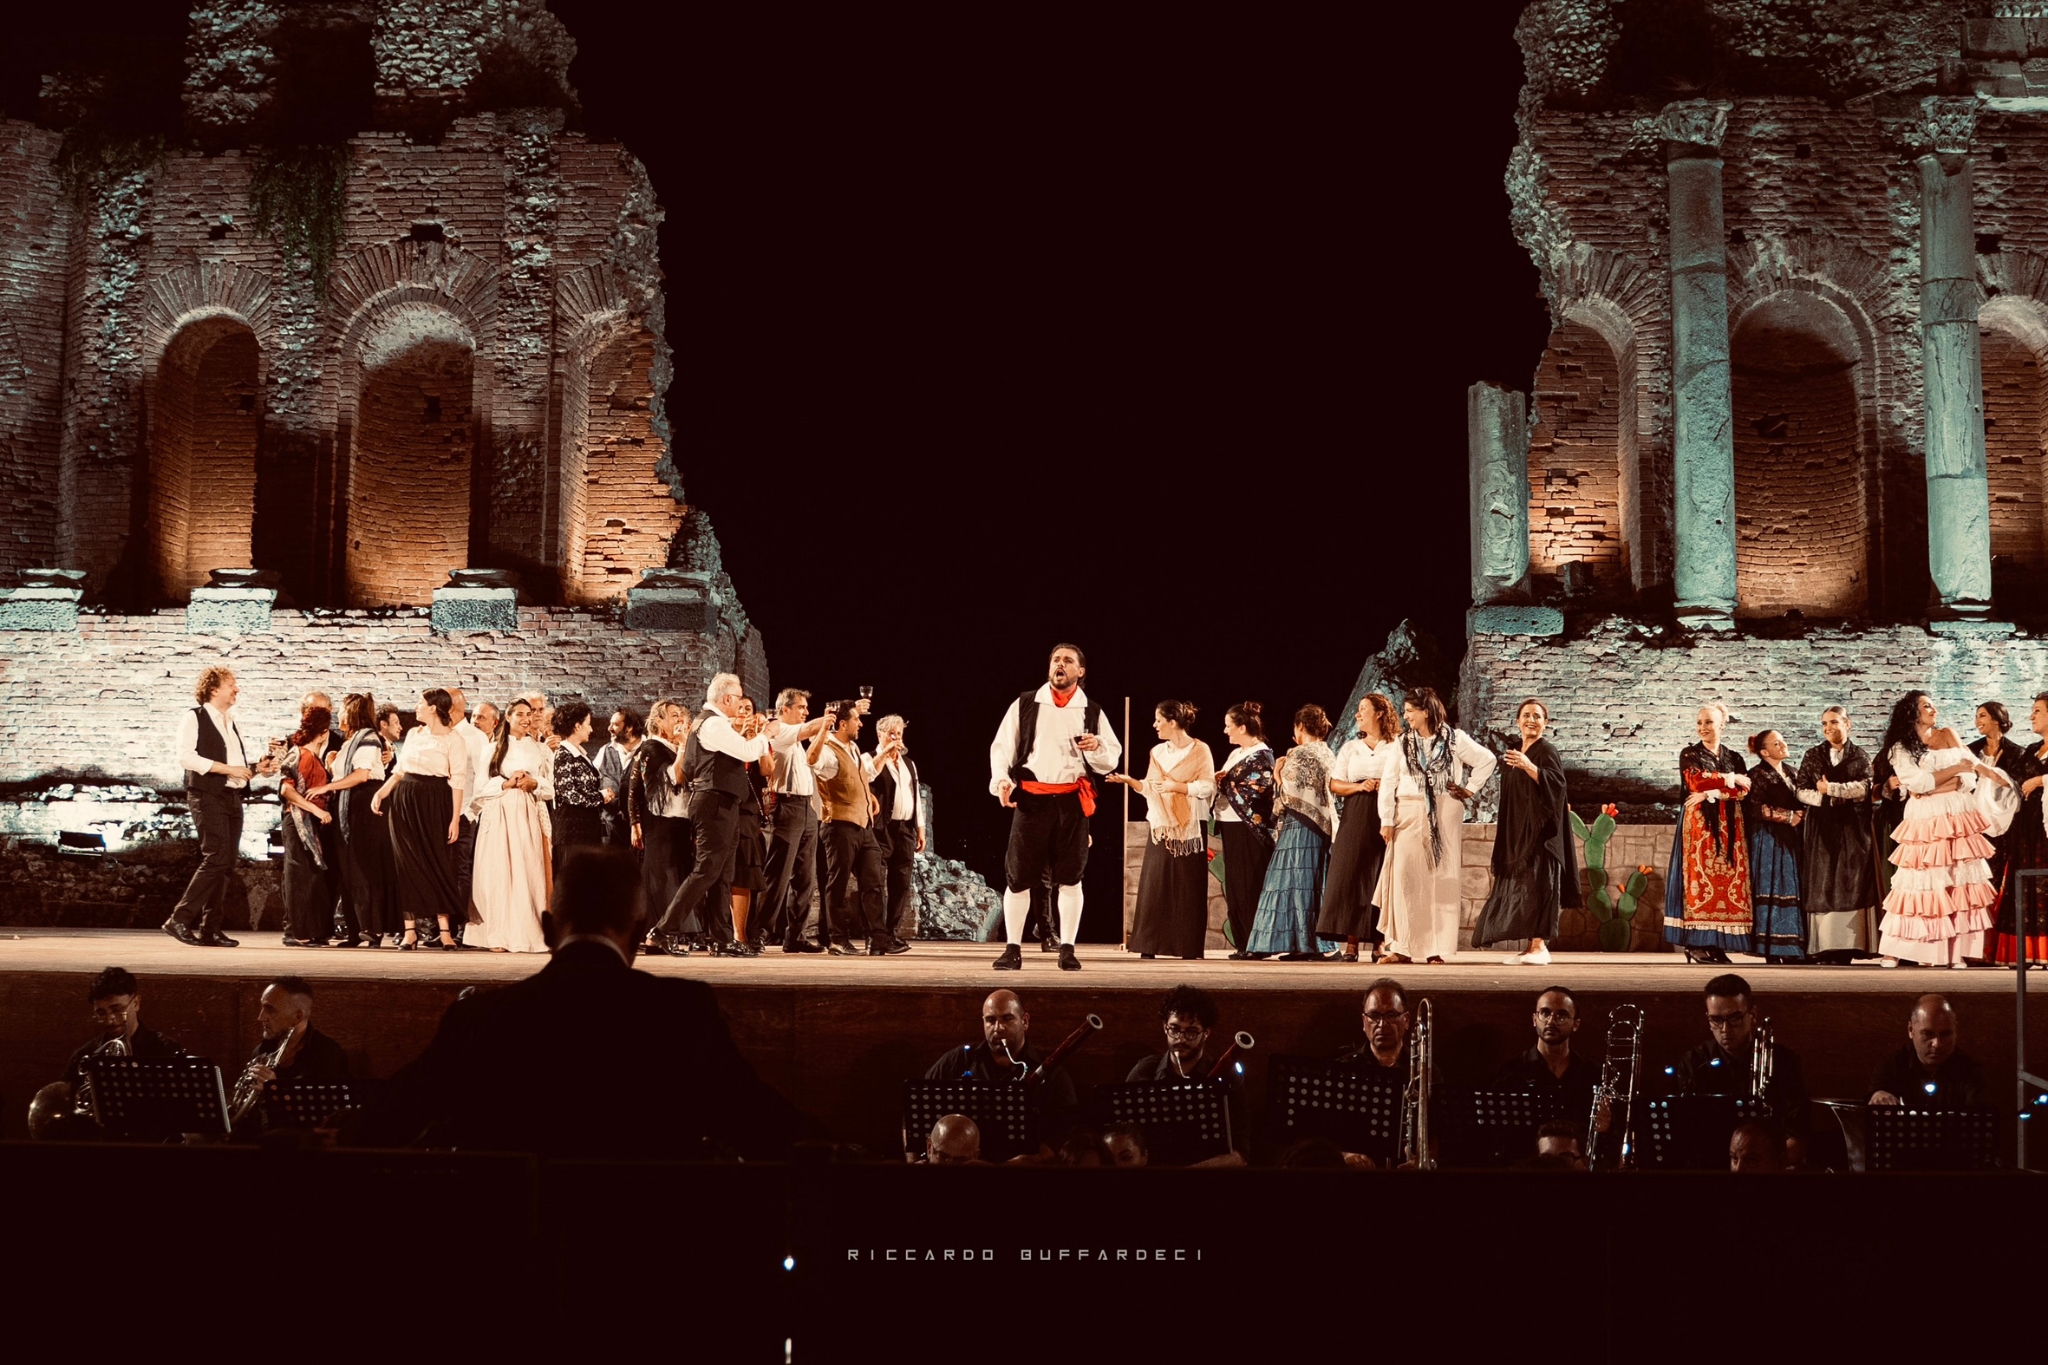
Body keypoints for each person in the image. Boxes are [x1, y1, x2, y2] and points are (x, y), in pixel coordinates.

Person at [347, 847, 817, 1158]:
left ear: (548, 929)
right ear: (638, 933)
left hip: (517, 1251)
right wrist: (837, 1150)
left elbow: (396, 1114)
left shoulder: (480, 1018)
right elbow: (753, 1118)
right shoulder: (682, 1012)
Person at [987, 643, 1123, 972]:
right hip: (1032, 799)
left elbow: (1110, 759)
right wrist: (1002, 781)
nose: (1059, 664)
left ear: (1080, 671)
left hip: (1071, 802)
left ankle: (1067, 949)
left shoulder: (1091, 710)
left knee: (1071, 878)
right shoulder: (1026, 703)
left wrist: (1096, 746)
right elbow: (1002, 747)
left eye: (1067, 661)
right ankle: (1012, 948)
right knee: (1018, 877)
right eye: (1055, 660)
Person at [1878, 690, 2004, 968]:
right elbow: (1917, 783)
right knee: (1920, 879)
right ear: (1912, 712)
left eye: (1933, 705)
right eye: (1926, 706)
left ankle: (1953, 952)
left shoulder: (1948, 734)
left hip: (1957, 812)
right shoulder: (1901, 747)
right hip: (1925, 816)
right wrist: (1952, 772)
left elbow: (1969, 776)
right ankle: (1902, 950)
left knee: (1957, 879)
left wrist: (1940, 782)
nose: (1933, 710)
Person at [1375, 687, 1497, 965]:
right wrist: (1386, 819)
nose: (1406, 716)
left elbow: (1486, 760)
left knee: (1438, 881)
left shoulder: (1455, 739)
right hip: (1408, 811)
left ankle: (1434, 948)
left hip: (1444, 812)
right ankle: (1402, 947)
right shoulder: (1402, 743)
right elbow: (1389, 782)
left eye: (1410, 711)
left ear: (1426, 712)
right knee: (1406, 879)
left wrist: (1469, 788)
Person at [652, 673, 770, 956]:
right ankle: (662, 931)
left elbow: (693, 766)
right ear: (727, 698)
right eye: (738, 698)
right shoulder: (714, 723)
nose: (741, 703)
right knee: (706, 870)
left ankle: (721, 939)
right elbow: (747, 752)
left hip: (721, 803)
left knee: (722, 874)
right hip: (714, 803)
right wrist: (767, 734)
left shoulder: (708, 723)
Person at [165, 666, 278, 947]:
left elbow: (236, 767)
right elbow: (186, 757)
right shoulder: (194, 717)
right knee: (215, 857)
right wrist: (229, 769)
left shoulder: (229, 721)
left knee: (226, 864)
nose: (237, 689)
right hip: (207, 795)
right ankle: (179, 919)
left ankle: (210, 929)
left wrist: (257, 768)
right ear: (214, 689)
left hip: (231, 797)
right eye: (231, 685)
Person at [1474, 697, 1579, 967]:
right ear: (1518, 721)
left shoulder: (1546, 750)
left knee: (1539, 887)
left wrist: (1529, 766)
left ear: (1546, 723)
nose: (1531, 720)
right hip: (1518, 833)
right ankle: (1529, 947)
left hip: (1541, 836)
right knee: (1524, 890)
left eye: (1537, 716)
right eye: (1526, 715)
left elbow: (1557, 786)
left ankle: (1540, 945)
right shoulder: (1514, 753)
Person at [1110, 700, 1217, 960]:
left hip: (1190, 826)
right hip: (1162, 825)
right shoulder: (1158, 752)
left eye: (1159, 720)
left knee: (1188, 887)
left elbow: (1207, 786)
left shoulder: (1200, 749)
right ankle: (1150, 944)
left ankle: (1187, 947)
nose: (1155, 725)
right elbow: (1151, 786)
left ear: (1172, 722)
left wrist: (1177, 787)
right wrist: (1131, 782)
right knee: (1155, 884)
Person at [1667, 973, 1811, 1159]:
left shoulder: (1785, 1062)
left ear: (1752, 1015)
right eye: (1716, 1020)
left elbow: (1797, 1136)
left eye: (1735, 1018)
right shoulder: (1694, 1062)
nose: (1725, 1029)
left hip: (1767, 1168)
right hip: (1710, 1165)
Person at [370, 689, 468, 951]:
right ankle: (410, 931)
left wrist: (454, 819)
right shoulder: (414, 734)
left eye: (420, 703)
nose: (416, 707)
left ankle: (445, 931)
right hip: (405, 801)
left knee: (438, 862)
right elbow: (400, 770)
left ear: (433, 708)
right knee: (406, 865)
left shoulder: (453, 739)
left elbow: (458, 780)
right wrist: (381, 792)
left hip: (436, 801)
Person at [1661, 702, 1754, 964]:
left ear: (1722, 724)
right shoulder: (1690, 753)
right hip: (1699, 824)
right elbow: (1694, 780)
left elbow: (1745, 789)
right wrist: (1729, 779)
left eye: (1709, 722)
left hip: (1730, 825)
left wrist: (1710, 792)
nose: (1703, 727)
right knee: (1699, 881)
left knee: (1725, 882)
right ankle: (1696, 943)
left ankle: (1716, 944)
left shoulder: (1734, 757)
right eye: (1700, 722)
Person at [1246, 704, 1340, 959]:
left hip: (1299, 824)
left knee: (1287, 881)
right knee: (1309, 883)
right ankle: (1308, 944)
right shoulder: (1327, 752)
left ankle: (1285, 944)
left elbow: (1288, 792)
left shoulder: (1298, 754)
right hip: (1321, 826)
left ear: (1299, 727)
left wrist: (1277, 774)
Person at [809, 699, 900, 955]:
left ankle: (878, 940)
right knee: (837, 884)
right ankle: (837, 939)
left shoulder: (852, 748)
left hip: (863, 826)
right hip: (839, 826)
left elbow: (865, 774)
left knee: (873, 882)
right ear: (842, 724)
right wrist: (822, 730)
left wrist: (884, 754)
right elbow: (812, 760)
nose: (860, 724)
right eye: (856, 719)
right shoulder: (828, 750)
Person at [1794, 706, 1878, 964]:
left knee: (1851, 881)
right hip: (1822, 828)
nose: (1828, 728)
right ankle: (1824, 945)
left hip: (1852, 829)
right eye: (1824, 724)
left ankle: (1850, 946)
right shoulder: (1813, 756)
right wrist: (1825, 799)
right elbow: (1801, 790)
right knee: (1823, 881)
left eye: (1833, 722)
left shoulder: (1860, 757)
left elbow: (1865, 788)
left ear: (1847, 724)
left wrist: (1832, 789)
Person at [469, 698, 553, 954]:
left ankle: (525, 932)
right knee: (499, 871)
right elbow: (479, 789)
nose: (526, 719)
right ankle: (498, 933)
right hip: (499, 812)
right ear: (508, 717)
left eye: (529, 714)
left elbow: (551, 788)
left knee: (527, 870)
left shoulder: (540, 750)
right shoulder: (492, 749)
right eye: (520, 714)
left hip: (527, 813)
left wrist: (534, 784)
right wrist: (505, 784)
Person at [316, 697, 402, 947]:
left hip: (363, 804)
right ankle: (355, 929)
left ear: (351, 713)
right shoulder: (349, 742)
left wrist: (328, 787)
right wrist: (331, 762)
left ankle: (372, 927)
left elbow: (362, 774)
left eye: (342, 710)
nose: (339, 715)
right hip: (347, 804)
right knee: (349, 868)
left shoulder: (368, 738)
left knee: (365, 866)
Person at [923, 989, 1080, 1123]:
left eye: (1007, 1019)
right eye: (990, 1020)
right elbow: (922, 1100)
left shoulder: (1049, 1069)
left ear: (1025, 1021)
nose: (998, 1028)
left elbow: (1067, 1125)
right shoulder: (960, 1059)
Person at [1317, 693, 1395, 963]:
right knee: (1351, 874)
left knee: (1380, 874)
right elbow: (1335, 784)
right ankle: (1351, 942)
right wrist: (1360, 786)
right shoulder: (1351, 748)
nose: (1357, 714)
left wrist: (1385, 784)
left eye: (1363, 709)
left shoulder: (1395, 746)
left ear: (1379, 713)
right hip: (1357, 811)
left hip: (1386, 812)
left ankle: (1379, 942)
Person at [53, 967, 187, 1116]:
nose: (110, 1019)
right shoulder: (85, 1055)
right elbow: (66, 1107)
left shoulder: (165, 1050)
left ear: (136, 1003)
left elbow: (180, 1109)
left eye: (117, 1009)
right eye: (101, 1013)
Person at [235, 975, 350, 1134]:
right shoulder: (262, 1051)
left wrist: (276, 1090)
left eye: (270, 1010)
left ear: (298, 1017)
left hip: (304, 1143)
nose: (261, 1017)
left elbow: (327, 1116)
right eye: (262, 1007)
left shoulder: (327, 1053)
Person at [762, 689, 827, 953]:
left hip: (805, 807)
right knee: (778, 875)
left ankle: (796, 936)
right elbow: (810, 728)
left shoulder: (796, 741)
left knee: (805, 877)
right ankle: (759, 932)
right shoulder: (779, 730)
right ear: (784, 709)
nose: (806, 711)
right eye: (801, 707)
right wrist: (832, 715)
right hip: (787, 806)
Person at [626, 699, 693, 947]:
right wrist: (634, 822)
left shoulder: (673, 747)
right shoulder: (652, 748)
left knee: (675, 873)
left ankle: (670, 930)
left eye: (680, 714)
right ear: (659, 722)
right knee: (660, 876)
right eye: (673, 715)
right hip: (659, 820)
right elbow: (639, 787)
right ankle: (654, 931)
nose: (679, 719)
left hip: (679, 820)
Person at [1215, 701, 1278, 960]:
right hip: (1230, 823)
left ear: (1242, 727)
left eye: (1228, 726)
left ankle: (1257, 943)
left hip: (1249, 827)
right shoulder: (1236, 754)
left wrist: (1225, 783)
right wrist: (1222, 782)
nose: (1225, 731)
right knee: (1235, 886)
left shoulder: (1261, 756)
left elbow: (1258, 789)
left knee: (1250, 885)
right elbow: (1228, 782)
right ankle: (1243, 942)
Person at [278, 703, 340, 947]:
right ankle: (297, 932)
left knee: (311, 876)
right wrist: (316, 810)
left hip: (310, 821)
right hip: (298, 820)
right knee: (299, 876)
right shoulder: (301, 754)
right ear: (323, 733)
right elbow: (287, 790)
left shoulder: (313, 757)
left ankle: (312, 930)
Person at [1992, 694, 2048, 966]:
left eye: (2037, 710)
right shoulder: (2032, 749)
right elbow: (2012, 781)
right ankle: (2026, 951)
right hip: (2026, 829)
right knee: (2025, 886)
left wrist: (2041, 780)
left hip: (2045, 830)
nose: (2031, 716)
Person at [1745, 729, 1807, 963]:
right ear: (1764, 752)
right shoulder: (1757, 775)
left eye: (1782, 741)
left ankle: (1793, 947)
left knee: (1793, 885)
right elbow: (1753, 807)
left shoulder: (1792, 773)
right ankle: (1771, 947)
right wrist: (1788, 816)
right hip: (1768, 839)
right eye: (1776, 743)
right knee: (1773, 886)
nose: (1783, 745)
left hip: (1792, 837)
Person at [1868, 993, 1988, 1108]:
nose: (1937, 1044)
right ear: (1911, 1030)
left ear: (1955, 1032)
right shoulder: (1892, 1065)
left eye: (1945, 1034)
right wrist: (1878, 1096)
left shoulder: (1971, 1070)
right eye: (1928, 1034)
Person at [1491, 986, 1601, 1107]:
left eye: (1562, 1015)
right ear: (1534, 1019)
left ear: (1575, 1024)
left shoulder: (1592, 1072)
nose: (1551, 1021)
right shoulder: (1512, 1071)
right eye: (1545, 1013)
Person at [869, 714, 926, 945]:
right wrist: (885, 753)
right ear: (879, 734)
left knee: (901, 883)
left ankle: (891, 932)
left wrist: (920, 827)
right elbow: (867, 774)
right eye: (891, 733)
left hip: (905, 829)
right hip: (881, 829)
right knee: (875, 881)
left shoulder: (908, 763)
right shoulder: (868, 758)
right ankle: (876, 934)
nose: (896, 738)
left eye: (899, 734)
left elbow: (915, 795)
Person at [447, 686, 494, 936]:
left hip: (464, 812)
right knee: (443, 869)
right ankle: (441, 925)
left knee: (459, 869)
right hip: (442, 812)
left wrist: (470, 813)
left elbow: (481, 778)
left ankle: (458, 925)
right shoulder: (442, 733)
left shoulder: (475, 737)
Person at [549, 702, 608, 877]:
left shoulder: (579, 754)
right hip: (572, 833)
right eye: (588, 724)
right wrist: (601, 797)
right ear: (577, 726)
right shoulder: (564, 755)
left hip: (585, 831)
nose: (591, 729)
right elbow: (570, 795)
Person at [1339, 979, 1414, 1072]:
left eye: (1391, 1015)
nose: (1382, 1024)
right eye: (1374, 1016)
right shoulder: (1344, 1068)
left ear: (1406, 1020)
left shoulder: (1423, 1068)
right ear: (1364, 1021)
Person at [597, 707, 642, 850]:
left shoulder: (649, 749)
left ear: (629, 727)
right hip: (611, 827)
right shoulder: (605, 750)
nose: (609, 728)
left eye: (615, 724)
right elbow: (592, 779)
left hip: (642, 827)